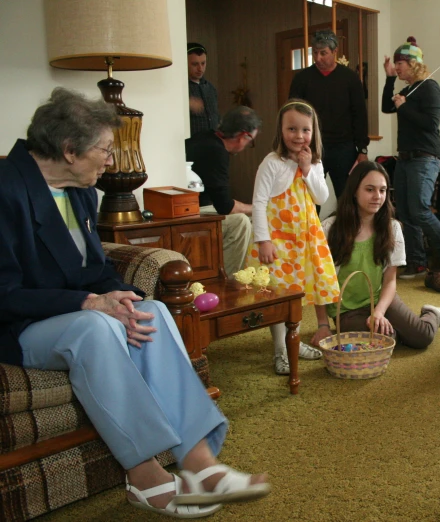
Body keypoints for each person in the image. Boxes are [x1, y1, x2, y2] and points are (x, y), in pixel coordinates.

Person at [0, 88, 270, 519]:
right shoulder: (6, 189)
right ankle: (144, 476)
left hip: (73, 311)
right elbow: (6, 293)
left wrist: (122, 299)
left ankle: (201, 464)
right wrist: (90, 302)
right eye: (104, 150)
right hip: (21, 327)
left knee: (154, 312)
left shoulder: (82, 191)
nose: (110, 160)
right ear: (70, 151)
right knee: (95, 327)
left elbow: (94, 268)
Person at [310, 161, 440, 348]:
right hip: (347, 311)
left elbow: (390, 280)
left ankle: (433, 314)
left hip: (382, 300)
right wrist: (323, 325)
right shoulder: (329, 228)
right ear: (354, 191)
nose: (377, 196)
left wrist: (379, 312)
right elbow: (319, 281)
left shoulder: (392, 228)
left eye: (382, 191)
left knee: (423, 337)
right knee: (386, 340)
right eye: (370, 189)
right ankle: (393, 330)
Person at [246, 99, 341, 375]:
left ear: (313, 133)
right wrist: (263, 240)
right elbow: (259, 202)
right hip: (278, 243)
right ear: (281, 130)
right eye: (292, 129)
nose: (299, 136)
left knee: (297, 295)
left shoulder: (314, 162)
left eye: (305, 130)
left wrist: (308, 168)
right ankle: (280, 349)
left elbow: (321, 197)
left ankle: (294, 342)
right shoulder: (271, 163)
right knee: (279, 294)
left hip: (304, 242)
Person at [382, 36, 440, 293]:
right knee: (405, 210)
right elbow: (385, 107)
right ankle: (416, 261)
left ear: (413, 63)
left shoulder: (430, 88)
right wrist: (390, 78)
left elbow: (430, 124)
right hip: (405, 158)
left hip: (425, 157)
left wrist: (404, 108)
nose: (397, 67)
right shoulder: (407, 90)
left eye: (399, 63)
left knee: (420, 208)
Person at [289, 30, 369, 202]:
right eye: (315, 53)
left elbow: (360, 115)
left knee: (347, 198)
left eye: (323, 53)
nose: (318, 58)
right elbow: (292, 114)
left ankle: (347, 230)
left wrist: (362, 149)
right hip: (312, 147)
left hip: (344, 148)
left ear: (334, 52)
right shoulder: (302, 78)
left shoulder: (350, 78)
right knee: (309, 198)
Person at [185, 106, 258, 276]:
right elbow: (226, 206)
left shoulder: (204, 137)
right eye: (251, 141)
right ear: (243, 136)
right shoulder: (216, 151)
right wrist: (256, 207)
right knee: (241, 222)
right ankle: (230, 281)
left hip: (195, 208)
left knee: (253, 220)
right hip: (193, 211)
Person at [187, 43, 220, 135]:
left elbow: (216, 116)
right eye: (195, 64)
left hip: (212, 141)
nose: (200, 68)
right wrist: (185, 103)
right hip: (192, 144)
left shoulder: (210, 88)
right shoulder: (180, 87)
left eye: (203, 63)